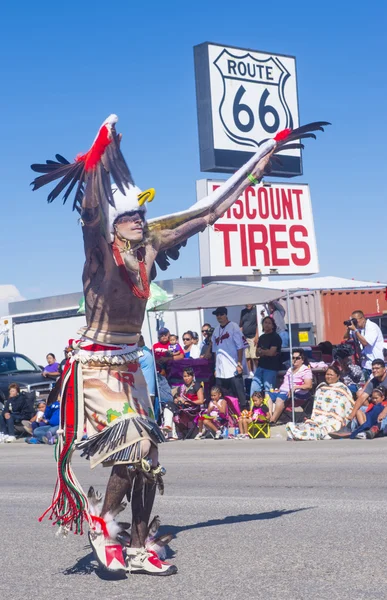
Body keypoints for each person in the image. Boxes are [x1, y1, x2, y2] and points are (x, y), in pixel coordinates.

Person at [33, 113, 312, 575]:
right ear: (114, 224)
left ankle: (139, 544)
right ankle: (103, 521)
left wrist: (261, 159)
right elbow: (88, 217)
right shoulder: (99, 255)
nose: (140, 221)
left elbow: (208, 212)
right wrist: (98, 160)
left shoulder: (151, 246)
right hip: (97, 363)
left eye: (142, 214)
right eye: (129, 217)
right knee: (135, 447)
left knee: (152, 456)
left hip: (131, 361)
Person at [286, 365, 354, 441]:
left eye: (331, 375)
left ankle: (301, 435)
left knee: (319, 429)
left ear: (338, 376)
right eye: (327, 374)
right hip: (318, 418)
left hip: (333, 420)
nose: (328, 377)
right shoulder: (321, 387)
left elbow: (346, 406)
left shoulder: (342, 389)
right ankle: (301, 434)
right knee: (308, 425)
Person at [211, 307, 246, 409]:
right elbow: (215, 350)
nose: (219, 317)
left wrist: (239, 363)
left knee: (239, 394)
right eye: (217, 315)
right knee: (223, 394)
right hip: (220, 369)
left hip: (232, 367)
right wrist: (215, 368)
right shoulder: (216, 330)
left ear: (226, 315)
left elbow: (240, 347)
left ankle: (243, 413)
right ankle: (227, 415)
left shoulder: (233, 326)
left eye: (221, 314)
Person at [267, 348, 313, 423]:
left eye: (297, 358)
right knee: (267, 395)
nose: (295, 360)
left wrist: (296, 387)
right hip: (284, 391)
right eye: (293, 358)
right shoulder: (290, 369)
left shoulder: (306, 370)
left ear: (302, 360)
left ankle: (273, 420)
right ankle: (269, 417)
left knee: (280, 397)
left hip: (298, 394)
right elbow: (285, 383)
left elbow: (309, 385)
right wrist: (280, 389)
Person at [163, 367, 204, 439]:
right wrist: (177, 400)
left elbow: (201, 401)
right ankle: (168, 427)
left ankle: (171, 432)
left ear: (193, 376)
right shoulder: (181, 387)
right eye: (185, 376)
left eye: (188, 376)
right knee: (168, 404)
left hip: (192, 409)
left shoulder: (197, 386)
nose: (186, 378)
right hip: (182, 407)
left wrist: (186, 402)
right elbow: (178, 398)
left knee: (171, 407)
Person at [344, 310, 384, 379]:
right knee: (366, 387)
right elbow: (345, 338)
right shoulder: (357, 329)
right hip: (365, 365)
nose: (355, 323)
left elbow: (365, 343)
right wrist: (348, 329)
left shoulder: (372, 327)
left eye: (356, 321)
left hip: (376, 365)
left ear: (362, 318)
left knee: (376, 388)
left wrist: (355, 331)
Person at [347, 358, 387, 424]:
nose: (374, 370)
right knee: (359, 411)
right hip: (377, 406)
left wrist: (384, 413)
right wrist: (352, 414)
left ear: (384, 369)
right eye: (373, 368)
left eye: (377, 368)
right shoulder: (373, 381)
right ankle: (355, 427)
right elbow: (362, 397)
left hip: (385, 407)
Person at [251, 316, 282, 397]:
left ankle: (269, 408)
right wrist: (265, 352)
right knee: (254, 387)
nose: (267, 325)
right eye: (265, 322)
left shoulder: (275, 337)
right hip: (261, 366)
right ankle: (253, 408)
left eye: (269, 323)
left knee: (268, 389)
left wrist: (262, 351)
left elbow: (272, 352)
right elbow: (257, 353)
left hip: (271, 368)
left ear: (272, 325)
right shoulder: (261, 338)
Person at [239, 304, 258, 376]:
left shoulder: (255, 311)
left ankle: (258, 371)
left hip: (253, 336)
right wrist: (240, 336)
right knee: (247, 356)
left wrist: (257, 336)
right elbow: (241, 324)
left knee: (254, 356)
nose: (248, 304)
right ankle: (251, 373)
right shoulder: (243, 312)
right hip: (245, 337)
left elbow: (258, 324)